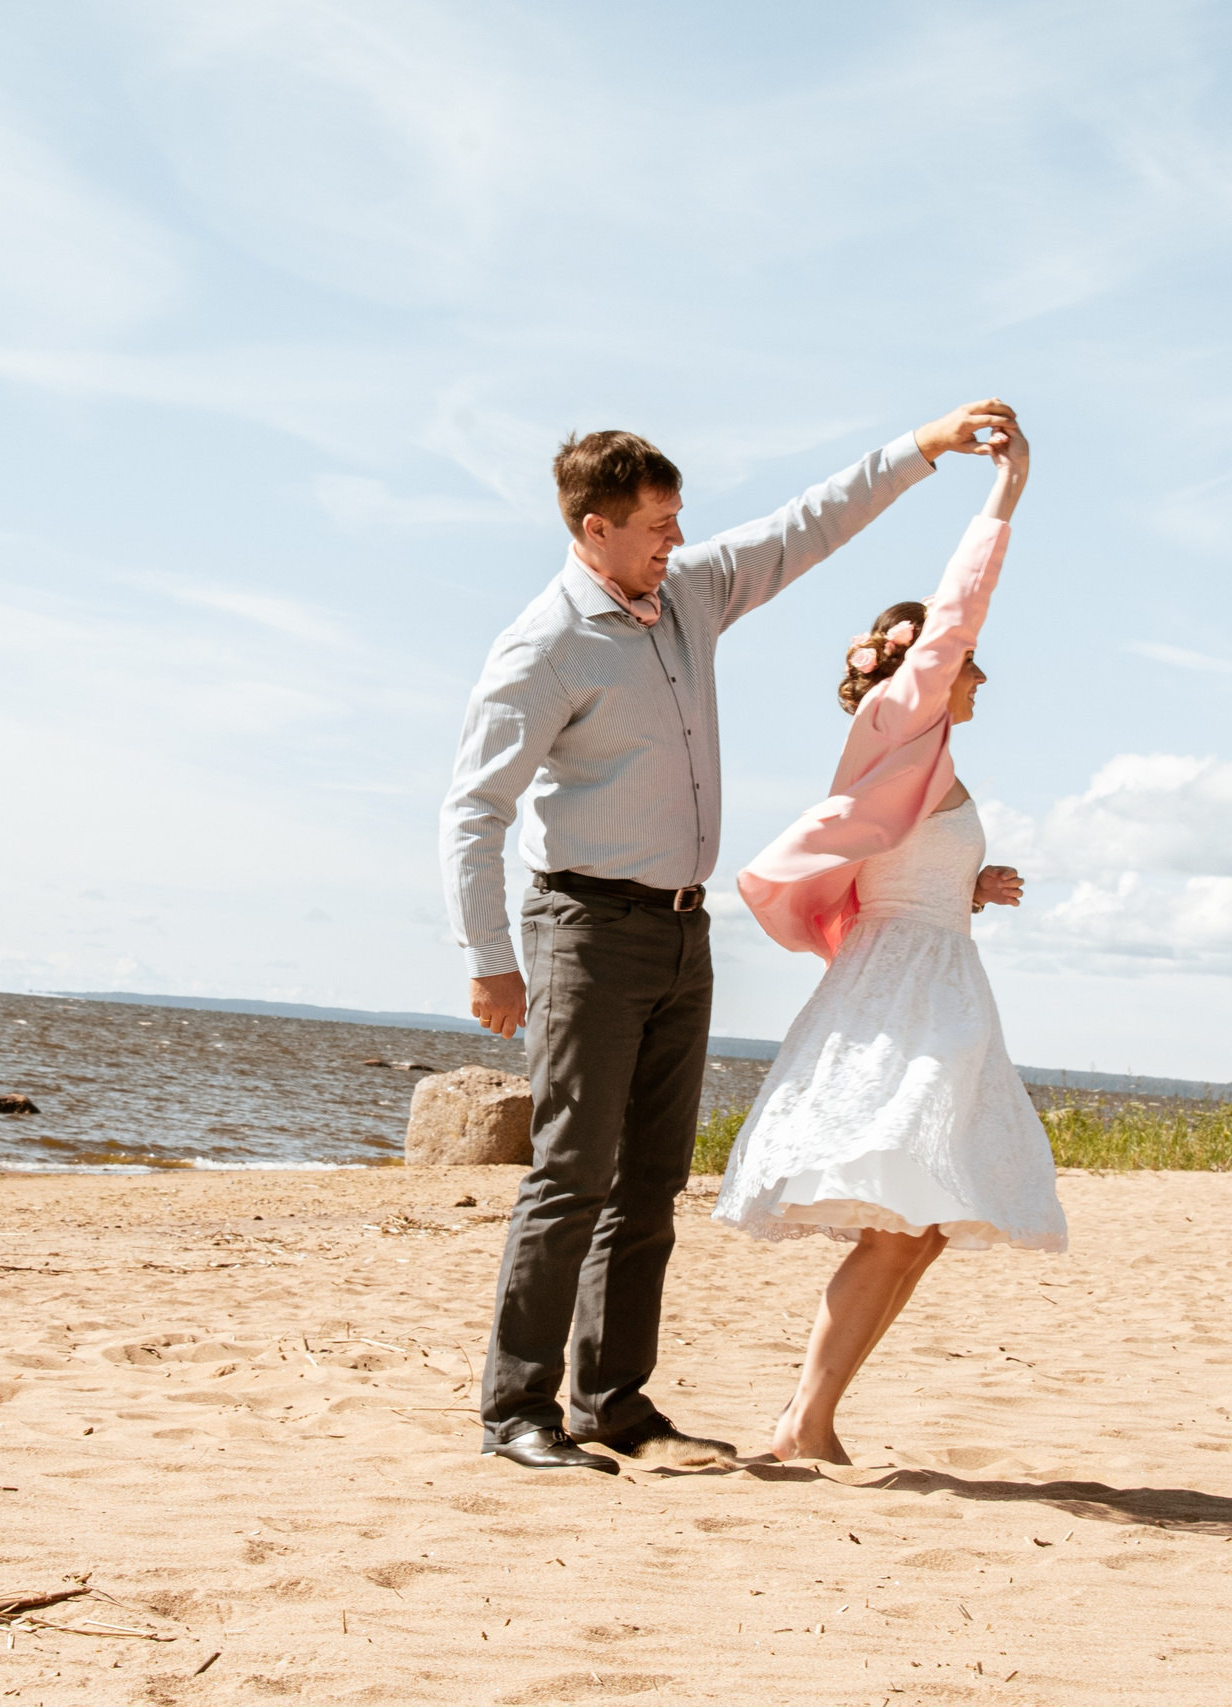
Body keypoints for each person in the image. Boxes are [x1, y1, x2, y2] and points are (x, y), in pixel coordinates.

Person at [442, 400, 1019, 1473]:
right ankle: (514, 1410)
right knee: (571, 1172)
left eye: (674, 521)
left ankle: (613, 1400)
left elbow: (808, 524)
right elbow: (474, 809)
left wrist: (922, 452)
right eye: (654, 525)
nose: (673, 540)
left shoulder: (692, 592)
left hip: (676, 927)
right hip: (580, 926)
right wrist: (490, 957)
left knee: (652, 1181)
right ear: (591, 529)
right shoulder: (544, 646)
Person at [716, 419, 1066, 1465]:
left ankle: (808, 1423)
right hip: (899, 1000)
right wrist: (1006, 494)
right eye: (961, 665)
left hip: (938, 979)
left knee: (921, 1228)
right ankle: (802, 1421)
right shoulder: (899, 718)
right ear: (923, 664)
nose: (975, 679)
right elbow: (960, 608)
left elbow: (893, 866)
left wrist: (972, 885)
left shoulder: (926, 762)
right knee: (900, 1219)